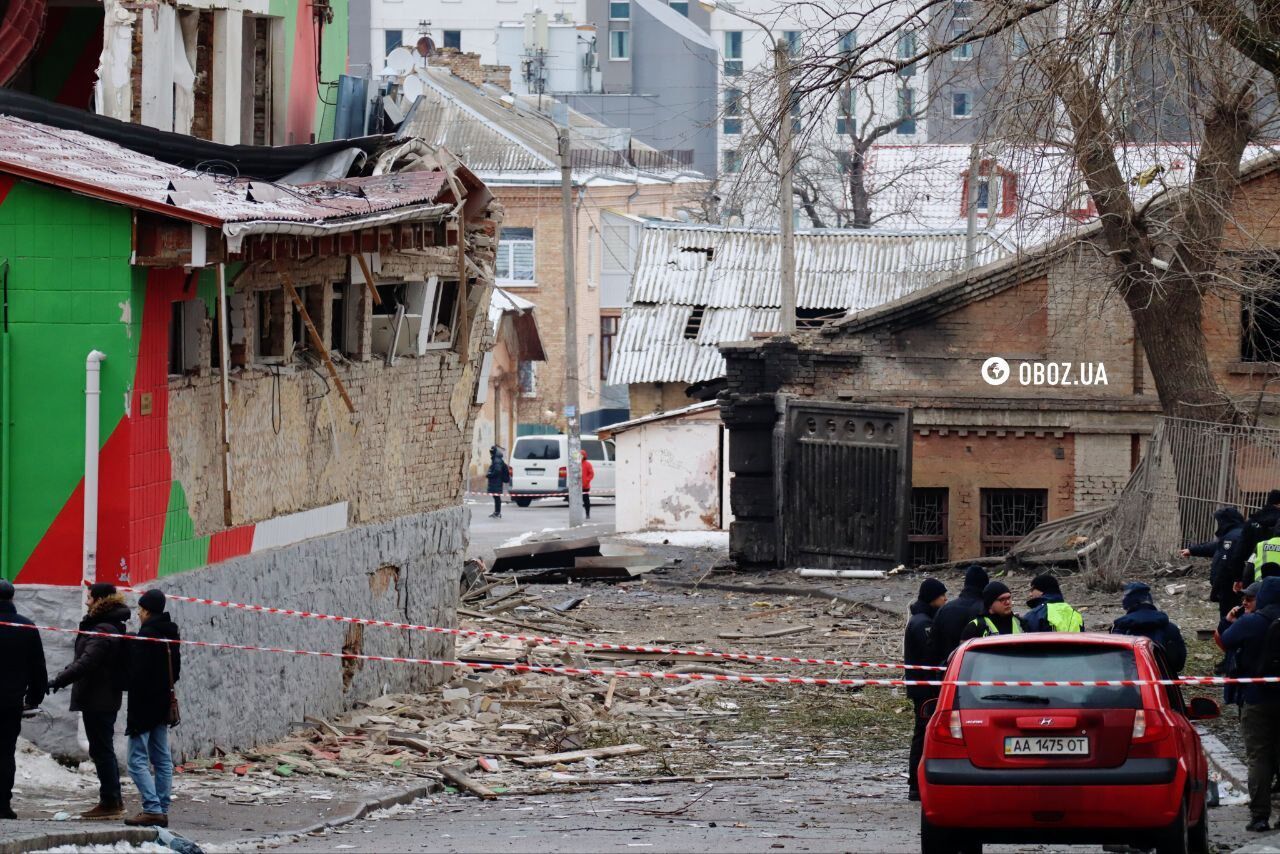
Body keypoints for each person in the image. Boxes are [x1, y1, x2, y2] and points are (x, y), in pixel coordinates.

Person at [48, 583, 129, 820]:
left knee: (102, 750)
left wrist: (58, 680)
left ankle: (111, 801)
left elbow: (86, 662)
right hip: (102, 696)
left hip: (98, 698)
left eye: (90, 597)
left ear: (101, 600)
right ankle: (111, 799)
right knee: (102, 748)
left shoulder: (102, 630)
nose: (86, 601)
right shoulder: (108, 626)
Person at [1218, 575, 1280, 832]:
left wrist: (1230, 620)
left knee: (1259, 757)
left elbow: (1226, 640)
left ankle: (1259, 816)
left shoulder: (1252, 622)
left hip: (1256, 697)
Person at [123, 590, 180, 828]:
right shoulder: (171, 632)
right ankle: (161, 807)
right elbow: (175, 672)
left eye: (140, 609)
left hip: (143, 704)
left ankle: (152, 808)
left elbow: (136, 674)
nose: (137, 613)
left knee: (136, 760)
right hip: (162, 704)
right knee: (162, 759)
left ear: (146, 610)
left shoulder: (146, 636)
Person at [0, 580, 46, 820]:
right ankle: (3, 805)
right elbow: (38, 666)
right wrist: (34, 697)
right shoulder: (26, 627)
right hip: (10, 702)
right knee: (6, 753)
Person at [904, 578, 947, 802]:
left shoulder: (922, 619)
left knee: (923, 733)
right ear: (932, 598)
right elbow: (929, 654)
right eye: (942, 596)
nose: (945, 600)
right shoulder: (923, 624)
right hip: (925, 689)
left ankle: (918, 783)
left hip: (922, 686)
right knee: (922, 734)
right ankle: (916, 784)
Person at [1181, 506, 1246, 622]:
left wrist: (1219, 585)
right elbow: (1215, 547)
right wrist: (1192, 550)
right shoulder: (1232, 535)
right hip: (1231, 584)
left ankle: (1228, 636)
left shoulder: (1233, 537)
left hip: (1230, 585)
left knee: (1229, 615)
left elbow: (1226, 564)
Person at [1110, 582, 1187, 674]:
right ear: (1149, 600)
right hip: (1164, 684)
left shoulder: (1120, 629)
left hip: (1131, 684)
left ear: (1127, 603)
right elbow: (1178, 664)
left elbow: (1114, 663)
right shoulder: (1170, 628)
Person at [931, 565, 988, 662]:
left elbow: (932, 643)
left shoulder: (944, 609)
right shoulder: (985, 610)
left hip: (947, 669)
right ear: (985, 586)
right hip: (976, 670)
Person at [959, 582, 1026, 640]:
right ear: (990, 604)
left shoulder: (1022, 623)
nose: (1008, 602)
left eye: (1009, 598)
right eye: (1002, 599)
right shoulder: (975, 627)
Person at [485, 447, 511, 519]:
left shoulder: (497, 460)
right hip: (496, 481)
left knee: (497, 497)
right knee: (496, 497)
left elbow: (497, 471)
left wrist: (490, 475)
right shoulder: (497, 459)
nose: (490, 453)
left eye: (491, 452)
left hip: (496, 481)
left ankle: (497, 512)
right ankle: (497, 512)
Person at [580, 450, 595, 520]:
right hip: (577, 486)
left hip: (585, 486)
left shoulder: (587, 464)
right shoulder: (576, 464)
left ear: (584, 456)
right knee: (577, 501)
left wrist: (586, 481)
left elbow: (591, 474)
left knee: (586, 501)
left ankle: (587, 514)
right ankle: (578, 515)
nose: (580, 457)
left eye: (582, 455)